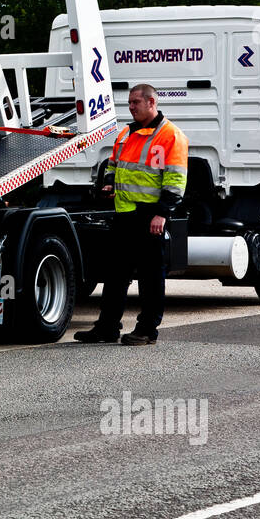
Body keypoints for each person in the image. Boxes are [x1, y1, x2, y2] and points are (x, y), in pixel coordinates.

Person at [74, 83, 188, 346]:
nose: (131, 107)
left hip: (150, 217)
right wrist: (109, 183)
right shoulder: (126, 133)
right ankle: (107, 327)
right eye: (130, 102)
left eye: (136, 102)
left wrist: (162, 214)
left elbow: (175, 181)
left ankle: (147, 330)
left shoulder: (171, 136)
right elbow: (115, 164)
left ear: (152, 102)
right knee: (115, 275)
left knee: (150, 277)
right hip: (124, 214)